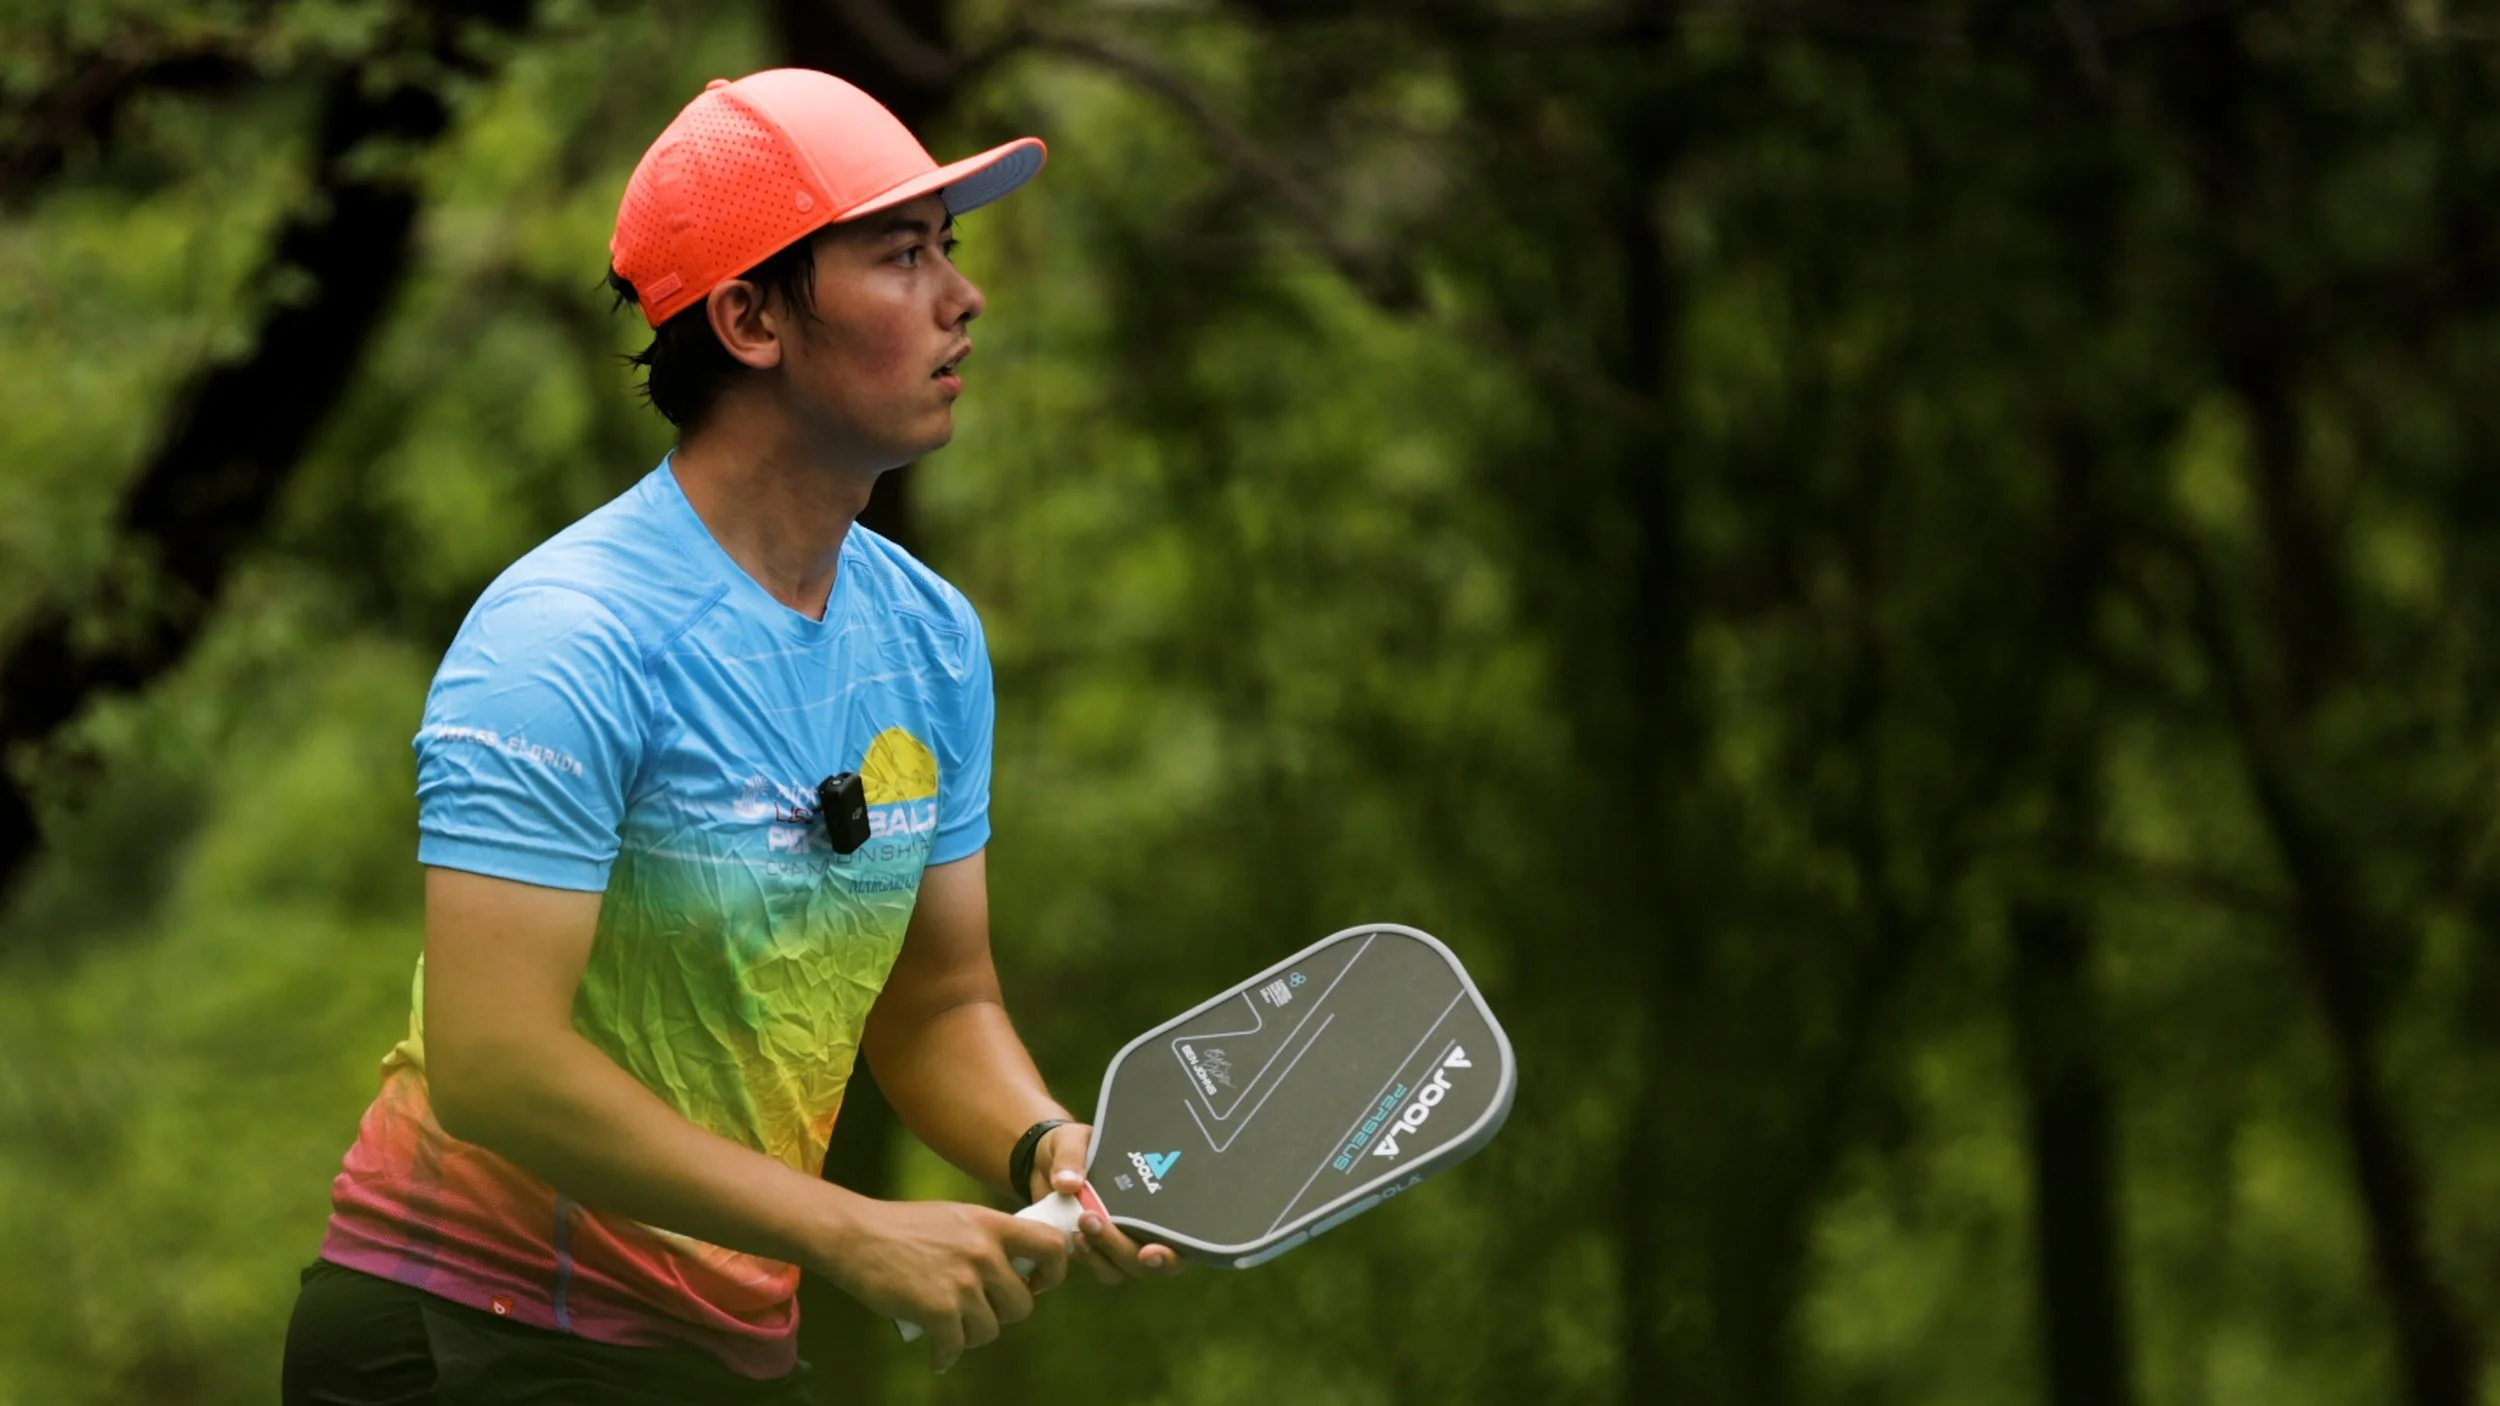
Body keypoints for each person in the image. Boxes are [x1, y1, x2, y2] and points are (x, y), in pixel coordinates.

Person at [281, 68, 1180, 1405]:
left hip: (723, 1347)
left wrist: (1046, 1143)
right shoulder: (566, 638)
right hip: (465, 1329)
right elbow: (495, 1065)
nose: (961, 296)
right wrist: (853, 1228)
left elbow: (938, 1002)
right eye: (900, 253)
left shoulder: (928, 640)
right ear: (751, 317)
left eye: (950, 250)